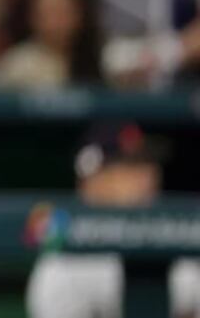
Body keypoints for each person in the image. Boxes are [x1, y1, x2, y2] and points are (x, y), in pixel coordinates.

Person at [27, 122, 200, 318]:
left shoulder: (180, 237)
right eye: (130, 166)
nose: (148, 176)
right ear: (93, 179)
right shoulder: (66, 262)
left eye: (149, 162)